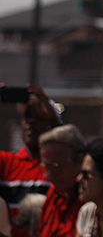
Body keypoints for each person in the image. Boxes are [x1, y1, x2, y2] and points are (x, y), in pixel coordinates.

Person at [0, 85, 62, 236]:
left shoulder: (60, 167)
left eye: (40, 118)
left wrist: (55, 123)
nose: (31, 122)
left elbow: (73, 150)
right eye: (27, 116)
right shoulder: (6, 163)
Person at [37, 124, 85, 237]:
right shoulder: (53, 194)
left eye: (56, 167)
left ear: (79, 159)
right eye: (46, 167)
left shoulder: (91, 199)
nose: (50, 175)